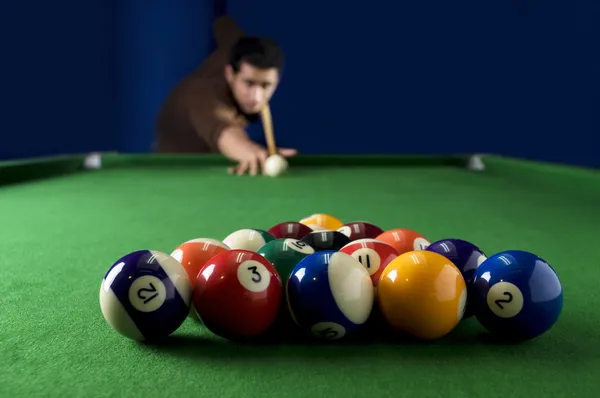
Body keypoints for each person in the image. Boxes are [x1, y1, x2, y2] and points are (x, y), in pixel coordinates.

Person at [155, 16, 297, 176]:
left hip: (221, 166)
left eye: (266, 85)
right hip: (176, 173)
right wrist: (252, 152)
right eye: (249, 83)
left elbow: (227, 31)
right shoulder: (203, 96)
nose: (257, 97)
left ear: (277, 80)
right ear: (230, 74)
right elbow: (224, 131)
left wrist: (220, 21)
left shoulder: (236, 49)